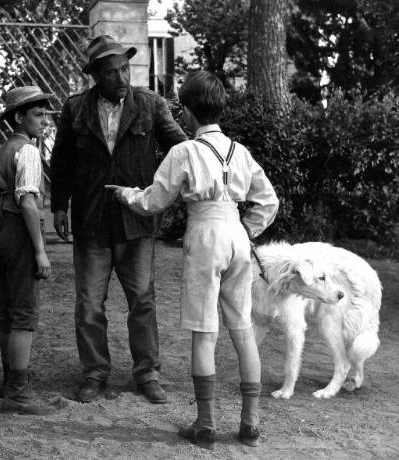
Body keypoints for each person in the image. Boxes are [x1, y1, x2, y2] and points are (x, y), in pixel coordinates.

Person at [106, 70, 279, 448]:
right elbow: (269, 201)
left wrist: (125, 195)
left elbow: (154, 201)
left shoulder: (183, 152)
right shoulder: (241, 151)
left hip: (205, 236)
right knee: (243, 328)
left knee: (204, 331)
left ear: (187, 111)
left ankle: (206, 423)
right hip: (235, 233)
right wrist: (246, 230)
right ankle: (250, 423)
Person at [50, 35, 187, 404]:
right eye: (111, 72)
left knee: (143, 300)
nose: (121, 77)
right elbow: (61, 160)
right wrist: (58, 205)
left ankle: (148, 374)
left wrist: (166, 191)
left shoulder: (151, 104)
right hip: (91, 220)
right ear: (95, 75)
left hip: (136, 221)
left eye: (125, 68)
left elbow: (182, 150)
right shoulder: (75, 108)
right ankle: (94, 373)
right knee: (89, 304)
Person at [0, 86, 56, 415]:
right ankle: (17, 393)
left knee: (8, 310)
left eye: (46, 115)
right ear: (19, 118)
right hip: (17, 229)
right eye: (38, 115)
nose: (44, 121)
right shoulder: (27, 150)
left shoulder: (5, 148)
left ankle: (8, 382)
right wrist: (40, 251)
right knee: (24, 312)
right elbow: (28, 202)